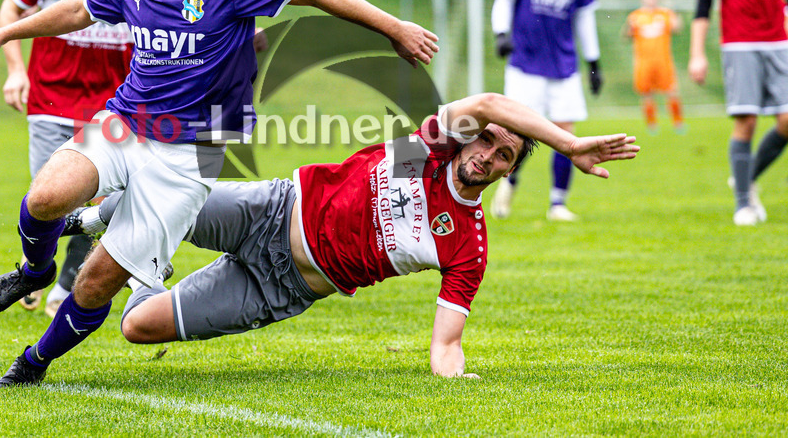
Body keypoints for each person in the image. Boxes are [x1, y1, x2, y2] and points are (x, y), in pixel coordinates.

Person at [0, 0, 439, 388]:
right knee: (47, 195)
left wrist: (395, 27)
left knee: (96, 282)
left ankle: (33, 364)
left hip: (196, 150)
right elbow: (77, 11)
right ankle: (34, 272)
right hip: (126, 122)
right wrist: (5, 34)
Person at [54, 93, 638, 380]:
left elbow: (445, 344)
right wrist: (569, 142)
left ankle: (145, 270)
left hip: (282, 289)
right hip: (273, 209)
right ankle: (98, 219)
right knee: (150, 197)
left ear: (510, 171)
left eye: (504, 154)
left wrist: (459, 384)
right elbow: (487, 104)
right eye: (485, 141)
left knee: (136, 327)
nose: (487, 155)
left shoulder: (468, 245)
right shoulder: (429, 148)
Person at [0, 0, 139, 319]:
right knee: (51, 199)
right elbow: (12, 6)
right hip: (51, 103)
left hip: (111, 108)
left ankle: (63, 287)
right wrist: (15, 69)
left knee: (95, 204)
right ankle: (35, 268)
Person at [689, 0, 788, 227]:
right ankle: (743, 203)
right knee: (746, 120)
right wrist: (697, 53)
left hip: (778, 42)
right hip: (740, 44)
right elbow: (703, 3)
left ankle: (745, 176)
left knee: (787, 121)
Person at [489, 0, 602, 222]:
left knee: (567, 135)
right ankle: (509, 183)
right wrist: (501, 34)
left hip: (564, 68)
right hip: (525, 65)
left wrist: (594, 62)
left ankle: (558, 204)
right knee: (518, 135)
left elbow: (584, 18)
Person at [623, 0, 684, 134]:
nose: (650, 0)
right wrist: (629, 29)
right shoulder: (635, 16)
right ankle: (652, 125)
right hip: (644, 62)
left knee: (672, 90)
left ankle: (678, 123)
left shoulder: (665, 14)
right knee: (646, 93)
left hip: (663, 60)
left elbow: (677, 28)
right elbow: (625, 35)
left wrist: (674, 11)